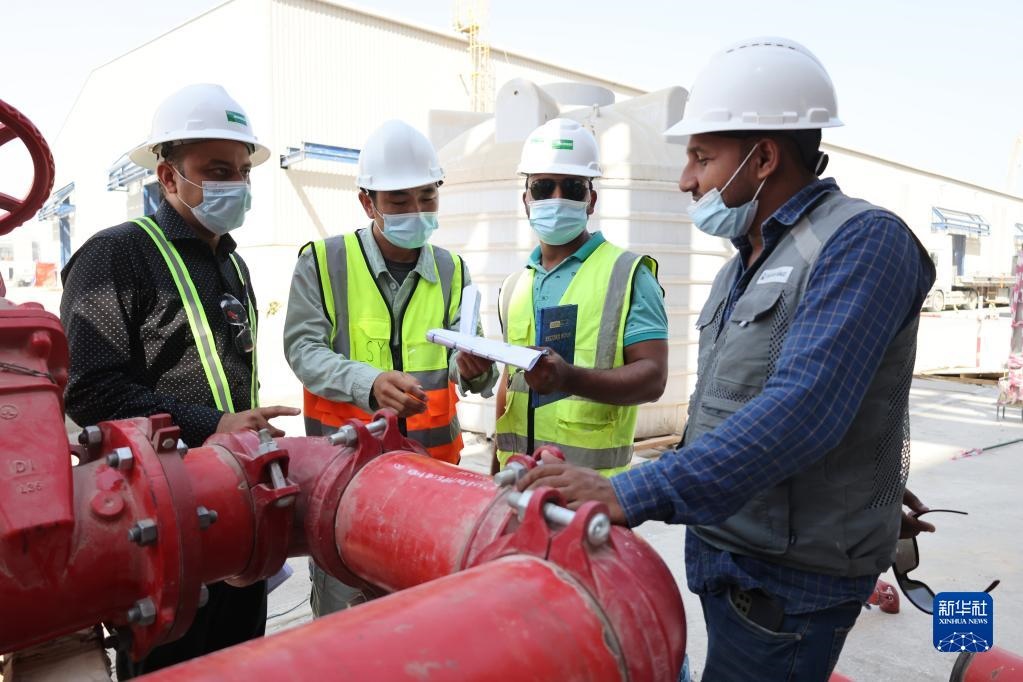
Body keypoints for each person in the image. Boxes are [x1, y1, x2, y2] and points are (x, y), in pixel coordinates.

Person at [517, 38, 936, 681]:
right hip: (731, 559)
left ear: (763, 157)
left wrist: (630, 490)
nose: (686, 180)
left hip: (787, 584)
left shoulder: (862, 242)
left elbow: (804, 409)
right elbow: (743, 406)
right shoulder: (741, 266)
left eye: (702, 157)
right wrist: (861, 475)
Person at [60, 84, 298, 677]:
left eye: (243, 171)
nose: (236, 185)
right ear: (168, 176)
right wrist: (212, 423)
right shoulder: (114, 255)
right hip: (159, 521)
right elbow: (90, 390)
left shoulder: (232, 262)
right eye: (217, 171)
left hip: (237, 504)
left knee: (241, 659)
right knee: (175, 664)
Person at [284, 119, 497, 615]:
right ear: (368, 203)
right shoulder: (324, 261)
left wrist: (474, 367)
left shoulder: (453, 271)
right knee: (347, 625)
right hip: (346, 485)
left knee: (425, 617)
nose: (417, 211)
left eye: (427, 197)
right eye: (399, 201)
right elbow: (303, 349)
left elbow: (471, 361)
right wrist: (369, 382)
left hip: (432, 482)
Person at [492, 118, 669, 476]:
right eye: (543, 187)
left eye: (572, 187)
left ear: (591, 200)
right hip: (518, 481)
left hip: (591, 489)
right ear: (526, 200)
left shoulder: (628, 274)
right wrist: (496, 468)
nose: (557, 198)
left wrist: (569, 379)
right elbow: (509, 383)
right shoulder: (514, 286)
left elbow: (653, 378)